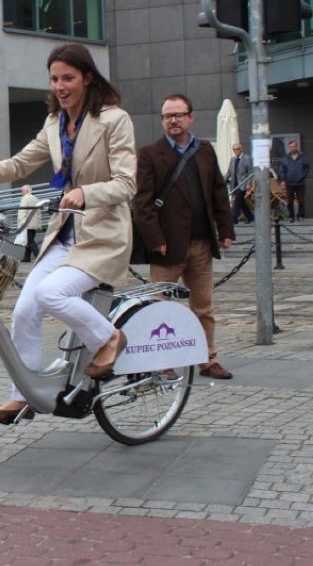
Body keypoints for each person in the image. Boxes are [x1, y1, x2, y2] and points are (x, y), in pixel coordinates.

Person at [0, 43, 136, 425]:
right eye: (54, 78)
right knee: (24, 310)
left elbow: (126, 183)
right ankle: (24, 396)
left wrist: (86, 193)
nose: (60, 86)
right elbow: (21, 163)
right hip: (64, 233)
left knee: (51, 293)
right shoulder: (55, 124)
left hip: (102, 236)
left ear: (87, 78)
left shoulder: (114, 119)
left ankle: (108, 338)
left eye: (68, 78)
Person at [133, 94, 235, 380]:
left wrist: (225, 230)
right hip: (166, 247)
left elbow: (218, 192)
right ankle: (162, 361)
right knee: (161, 307)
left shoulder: (204, 151)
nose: (173, 120)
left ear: (191, 117)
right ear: (162, 120)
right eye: (167, 116)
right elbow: (142, 203)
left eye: (178, 115)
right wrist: (155, 239)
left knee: (204, 307)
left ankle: (208, 359)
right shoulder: (149, 154)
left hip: (201, 243)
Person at [280, 139, 310, 223]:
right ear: (289, 147)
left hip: (300, 182)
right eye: (290, 147)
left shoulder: (302, 156)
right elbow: (282, 169)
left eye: (293, 146)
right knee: (289, 201)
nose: (292, 148)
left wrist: (303, 176)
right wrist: (283, 180)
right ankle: (291, 216)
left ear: (296, 146)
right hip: (289, 183)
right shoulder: (286, 157)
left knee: (300, 200)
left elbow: (307, 167)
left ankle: (300, 216)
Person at [225, 143, 254, 224]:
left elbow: (250, 172)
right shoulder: (232, 160)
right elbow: (229, 172)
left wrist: (248, 183)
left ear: (241, 149)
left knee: (237, 201)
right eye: (234, 149)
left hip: (243, 185)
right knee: (242, 203)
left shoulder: (247, 158)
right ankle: (250, 217)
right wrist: (222, 181)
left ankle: (233, 218)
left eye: (237, 149)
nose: (236, 151)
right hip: (234, 185)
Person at [16, 185, 42, 261]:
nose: (21, 193)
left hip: (27, 224)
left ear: (27, 191)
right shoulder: (35, 199)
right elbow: (39, 213)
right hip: (34, 224)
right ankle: (26, 257)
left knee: (30, 241)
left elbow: (22, 211)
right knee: (29, 241)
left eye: (22, 191)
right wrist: (39, 225)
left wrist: (22, 224)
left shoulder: (25, 198)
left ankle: (39, 257)